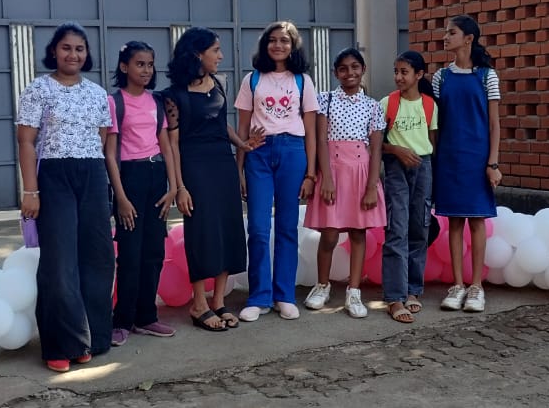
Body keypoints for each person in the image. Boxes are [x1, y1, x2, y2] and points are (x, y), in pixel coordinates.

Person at [15, 23, 114, 372]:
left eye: (80, 48)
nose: (73, 54)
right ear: (54, 51)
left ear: (87, 54)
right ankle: (62, 344)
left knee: (97, 256)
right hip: (54, 177)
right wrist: (31, 190)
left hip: (92, 174)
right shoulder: (38, 89)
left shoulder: (98, 94)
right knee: (59, 260)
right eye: (66, 47)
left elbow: (102, 138)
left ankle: (91, 336)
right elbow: (26, 141)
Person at [164, 27, 260, 331]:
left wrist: (242, 144)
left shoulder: (218, 84)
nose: (221, 56)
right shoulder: (173, 95)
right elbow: (173, 145)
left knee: (228, 229)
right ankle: (199, 304)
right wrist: (180, 187)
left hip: (223, 165)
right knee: (202, 233)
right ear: (197, 54)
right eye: (215, 50)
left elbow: (221, 124)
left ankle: (218, 301)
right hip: (195, 167)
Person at [235, 21, 320, 322]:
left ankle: (284, 295)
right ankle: (259, 297)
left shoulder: (302, 81)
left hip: (293, 152)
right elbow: (242, 128)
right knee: (258, 228)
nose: (278, 45)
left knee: (286, 226)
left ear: (293, 45)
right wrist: (239, 169)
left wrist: (311, 174)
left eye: (284, 40)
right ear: (265, 44)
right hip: (258, 154)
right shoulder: (252, 79)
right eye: (272, 40)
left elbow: (311, 131)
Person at [104, 41, 178, 346]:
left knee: (154, 252)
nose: (146, 70)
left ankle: (146, 317)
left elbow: (166, 146)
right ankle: (122, 320)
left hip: (156, 176)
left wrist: (173, 187)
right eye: (139, 64)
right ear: (124, 67)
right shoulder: (114, 102)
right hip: (130, 180)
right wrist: (120, 198)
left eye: (150, 64)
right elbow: (110, 154)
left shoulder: (156, 102)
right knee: (130, 254)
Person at [303, 48, 386, 318]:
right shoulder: (325, 100)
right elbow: (321, 140)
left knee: (358, 233)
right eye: (343, 68)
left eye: (355, 67)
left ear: (363, 70)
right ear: (335, 73)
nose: (349, 73)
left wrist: (372, 186)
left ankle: (354, 291)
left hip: (361, 174)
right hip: (333, 172)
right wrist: (325, 177)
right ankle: (322, 285)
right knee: (329, 233)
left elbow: (376, 148)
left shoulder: (373, 106)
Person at [432, 14, 501, 313]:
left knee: (477, 221)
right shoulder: (440, 77)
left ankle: (476, 287)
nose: (445, 37)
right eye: (446, 32)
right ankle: (457, 284)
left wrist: (492, 163)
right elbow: (436, 124)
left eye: (452, 33)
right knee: (454, 222)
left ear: (469, 39)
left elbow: (494, 125)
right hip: (448, 158)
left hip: (478, 159)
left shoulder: (487, 76)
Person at [379, 50, 438, 323]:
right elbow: (376, 143)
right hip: (395, 169)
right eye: (396, 71)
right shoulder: (387, 103)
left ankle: (413, 290)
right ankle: (394, 297)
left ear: (419, 74)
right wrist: (396, 150)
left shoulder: (430, 105)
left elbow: (432, 143)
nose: (398, 77)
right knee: (397, 230)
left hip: (423, 168)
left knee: (419, 229)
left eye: (404, 72)